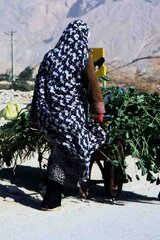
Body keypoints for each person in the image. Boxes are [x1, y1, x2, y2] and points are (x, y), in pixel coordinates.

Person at [30, 20, 106, 211]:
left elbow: (38, 87)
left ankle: (54, 192)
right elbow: (92, 86)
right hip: (70, 115)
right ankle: (58, 194)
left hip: (47, 114)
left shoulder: (50, 56)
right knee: (90, 140)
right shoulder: (82, 55)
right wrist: (98, 111)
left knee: (60, 148)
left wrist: (35, 116)